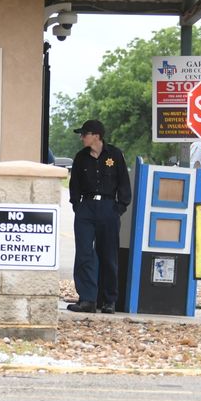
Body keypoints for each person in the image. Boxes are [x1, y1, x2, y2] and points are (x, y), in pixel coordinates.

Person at [67, 120, 131, 314]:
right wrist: (77, 205)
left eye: (84, 134)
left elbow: (123, 184)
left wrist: (119, 208)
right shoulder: (81, 157)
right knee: (85, 253)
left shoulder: (115, 155)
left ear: (96, 135)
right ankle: (87, 299)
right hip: (86, 208)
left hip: (108, 208)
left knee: (108, 254)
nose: (81, 137)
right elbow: (74, 183)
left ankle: (109, 300)